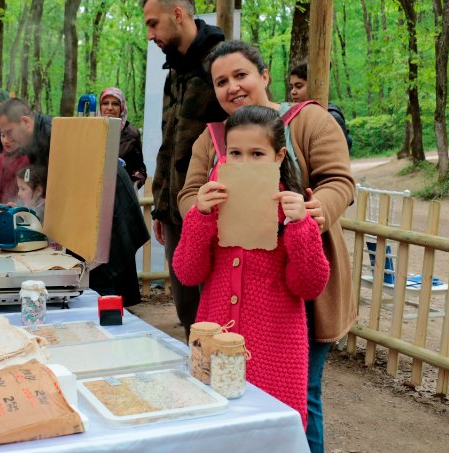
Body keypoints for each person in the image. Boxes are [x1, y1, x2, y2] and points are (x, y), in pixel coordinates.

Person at [178, 40, 354, 453]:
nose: (232, 87)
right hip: (229, 281)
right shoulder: (211, 138)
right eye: (221, 81)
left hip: (300, 278)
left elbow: (339, 180)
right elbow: (188, 194)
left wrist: (312, 213)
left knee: (301, 393)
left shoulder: (309, 120)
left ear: (264, 75)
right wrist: (203, 212)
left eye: (240, 75)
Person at [173, 105, 329, 428]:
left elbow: (309, 285)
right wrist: (200, 217)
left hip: (275, 352)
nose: (245, 162)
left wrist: (301, 226)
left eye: (257, 154)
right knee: (214, 435)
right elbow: (187, 273)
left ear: (279, 155)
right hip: (213, 347)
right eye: (235, 153)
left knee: (269, 435)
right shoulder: (212, 206)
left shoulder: (294, 212)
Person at [143, 0, 227, 340]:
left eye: (153, 24)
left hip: (215, 214)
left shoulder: (221, 65)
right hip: (177, 212)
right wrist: (162, 208)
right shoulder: (175, 70)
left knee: (216, 322)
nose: (150, 35)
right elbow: (170, 145)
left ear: (177, 14)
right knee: (188, 314)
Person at [289, 63, 352, 153]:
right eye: (292, 87)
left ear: (314, 86)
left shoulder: (331, 117)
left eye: (298, 86)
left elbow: (337, 154)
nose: (293, 92)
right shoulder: (295, 114)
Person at [99, 87, 147, 188]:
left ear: (122, 107)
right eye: (105, 103)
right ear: (100, 107)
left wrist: (132, 183)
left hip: (120, 192)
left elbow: (140, 171)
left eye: (115, 104)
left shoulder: (132, 134)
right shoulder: (91, 130)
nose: (110, 108)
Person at [0, 98, 53, 169]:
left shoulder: (53, 133)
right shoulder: (27, 140)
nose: (6, 140)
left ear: (25, 122)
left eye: (9, 132)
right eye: (3, 134)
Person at [0, 126, 30, 203]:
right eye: (3, 135)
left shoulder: (25, 160)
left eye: (10, 135)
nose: (5, 141)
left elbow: (27, 194)